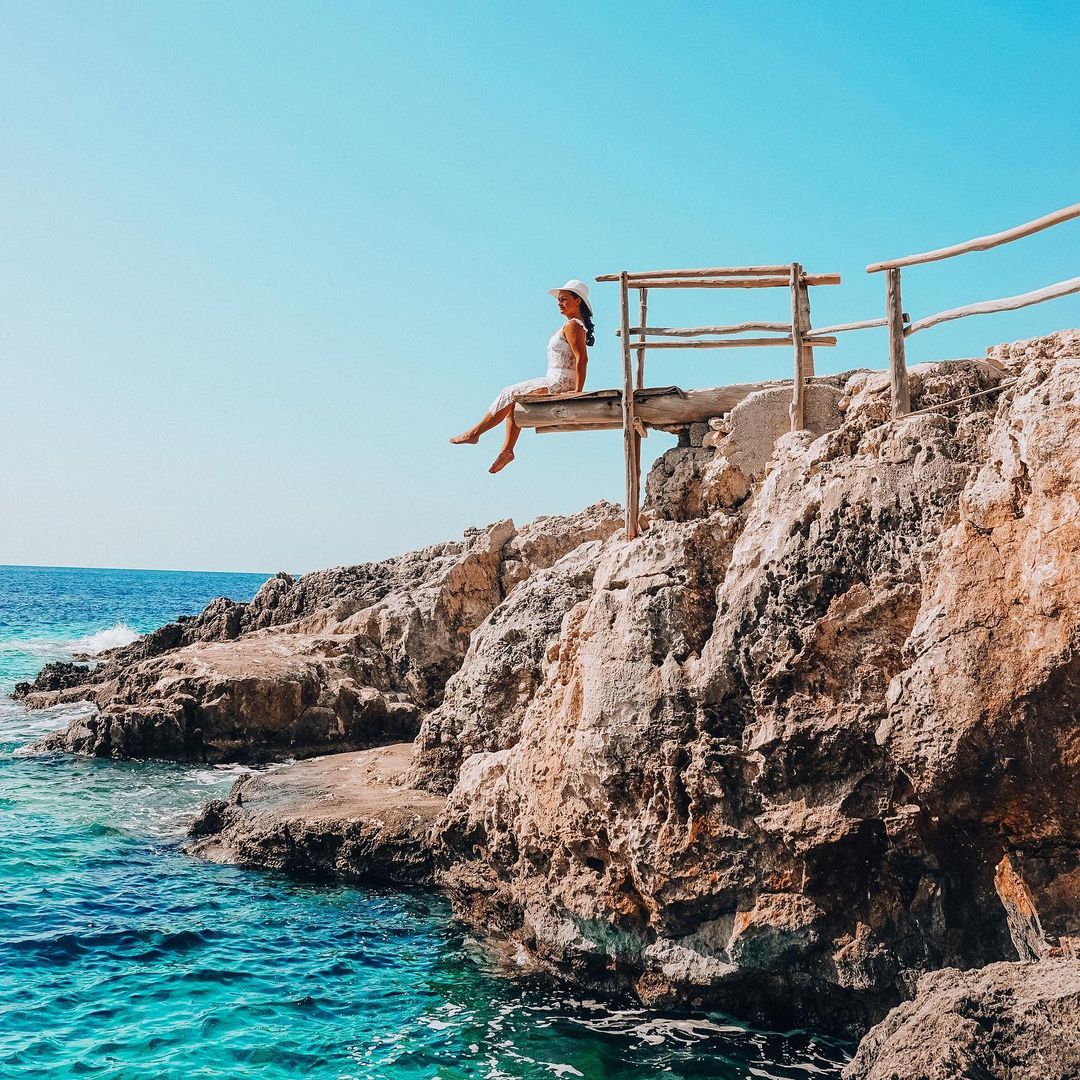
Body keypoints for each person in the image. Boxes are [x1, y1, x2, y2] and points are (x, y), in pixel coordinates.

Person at [450, 279, 595, 473]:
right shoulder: (572, 325)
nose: (559, 303)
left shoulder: (573, 326)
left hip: (560, 381)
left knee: (509, 393)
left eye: (564, 299)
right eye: (558, 300)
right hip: (557, 379)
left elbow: (582, 359)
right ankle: (507, 450)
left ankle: (475, 433)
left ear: (578, 301)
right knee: (514, 402)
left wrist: (578, 391)